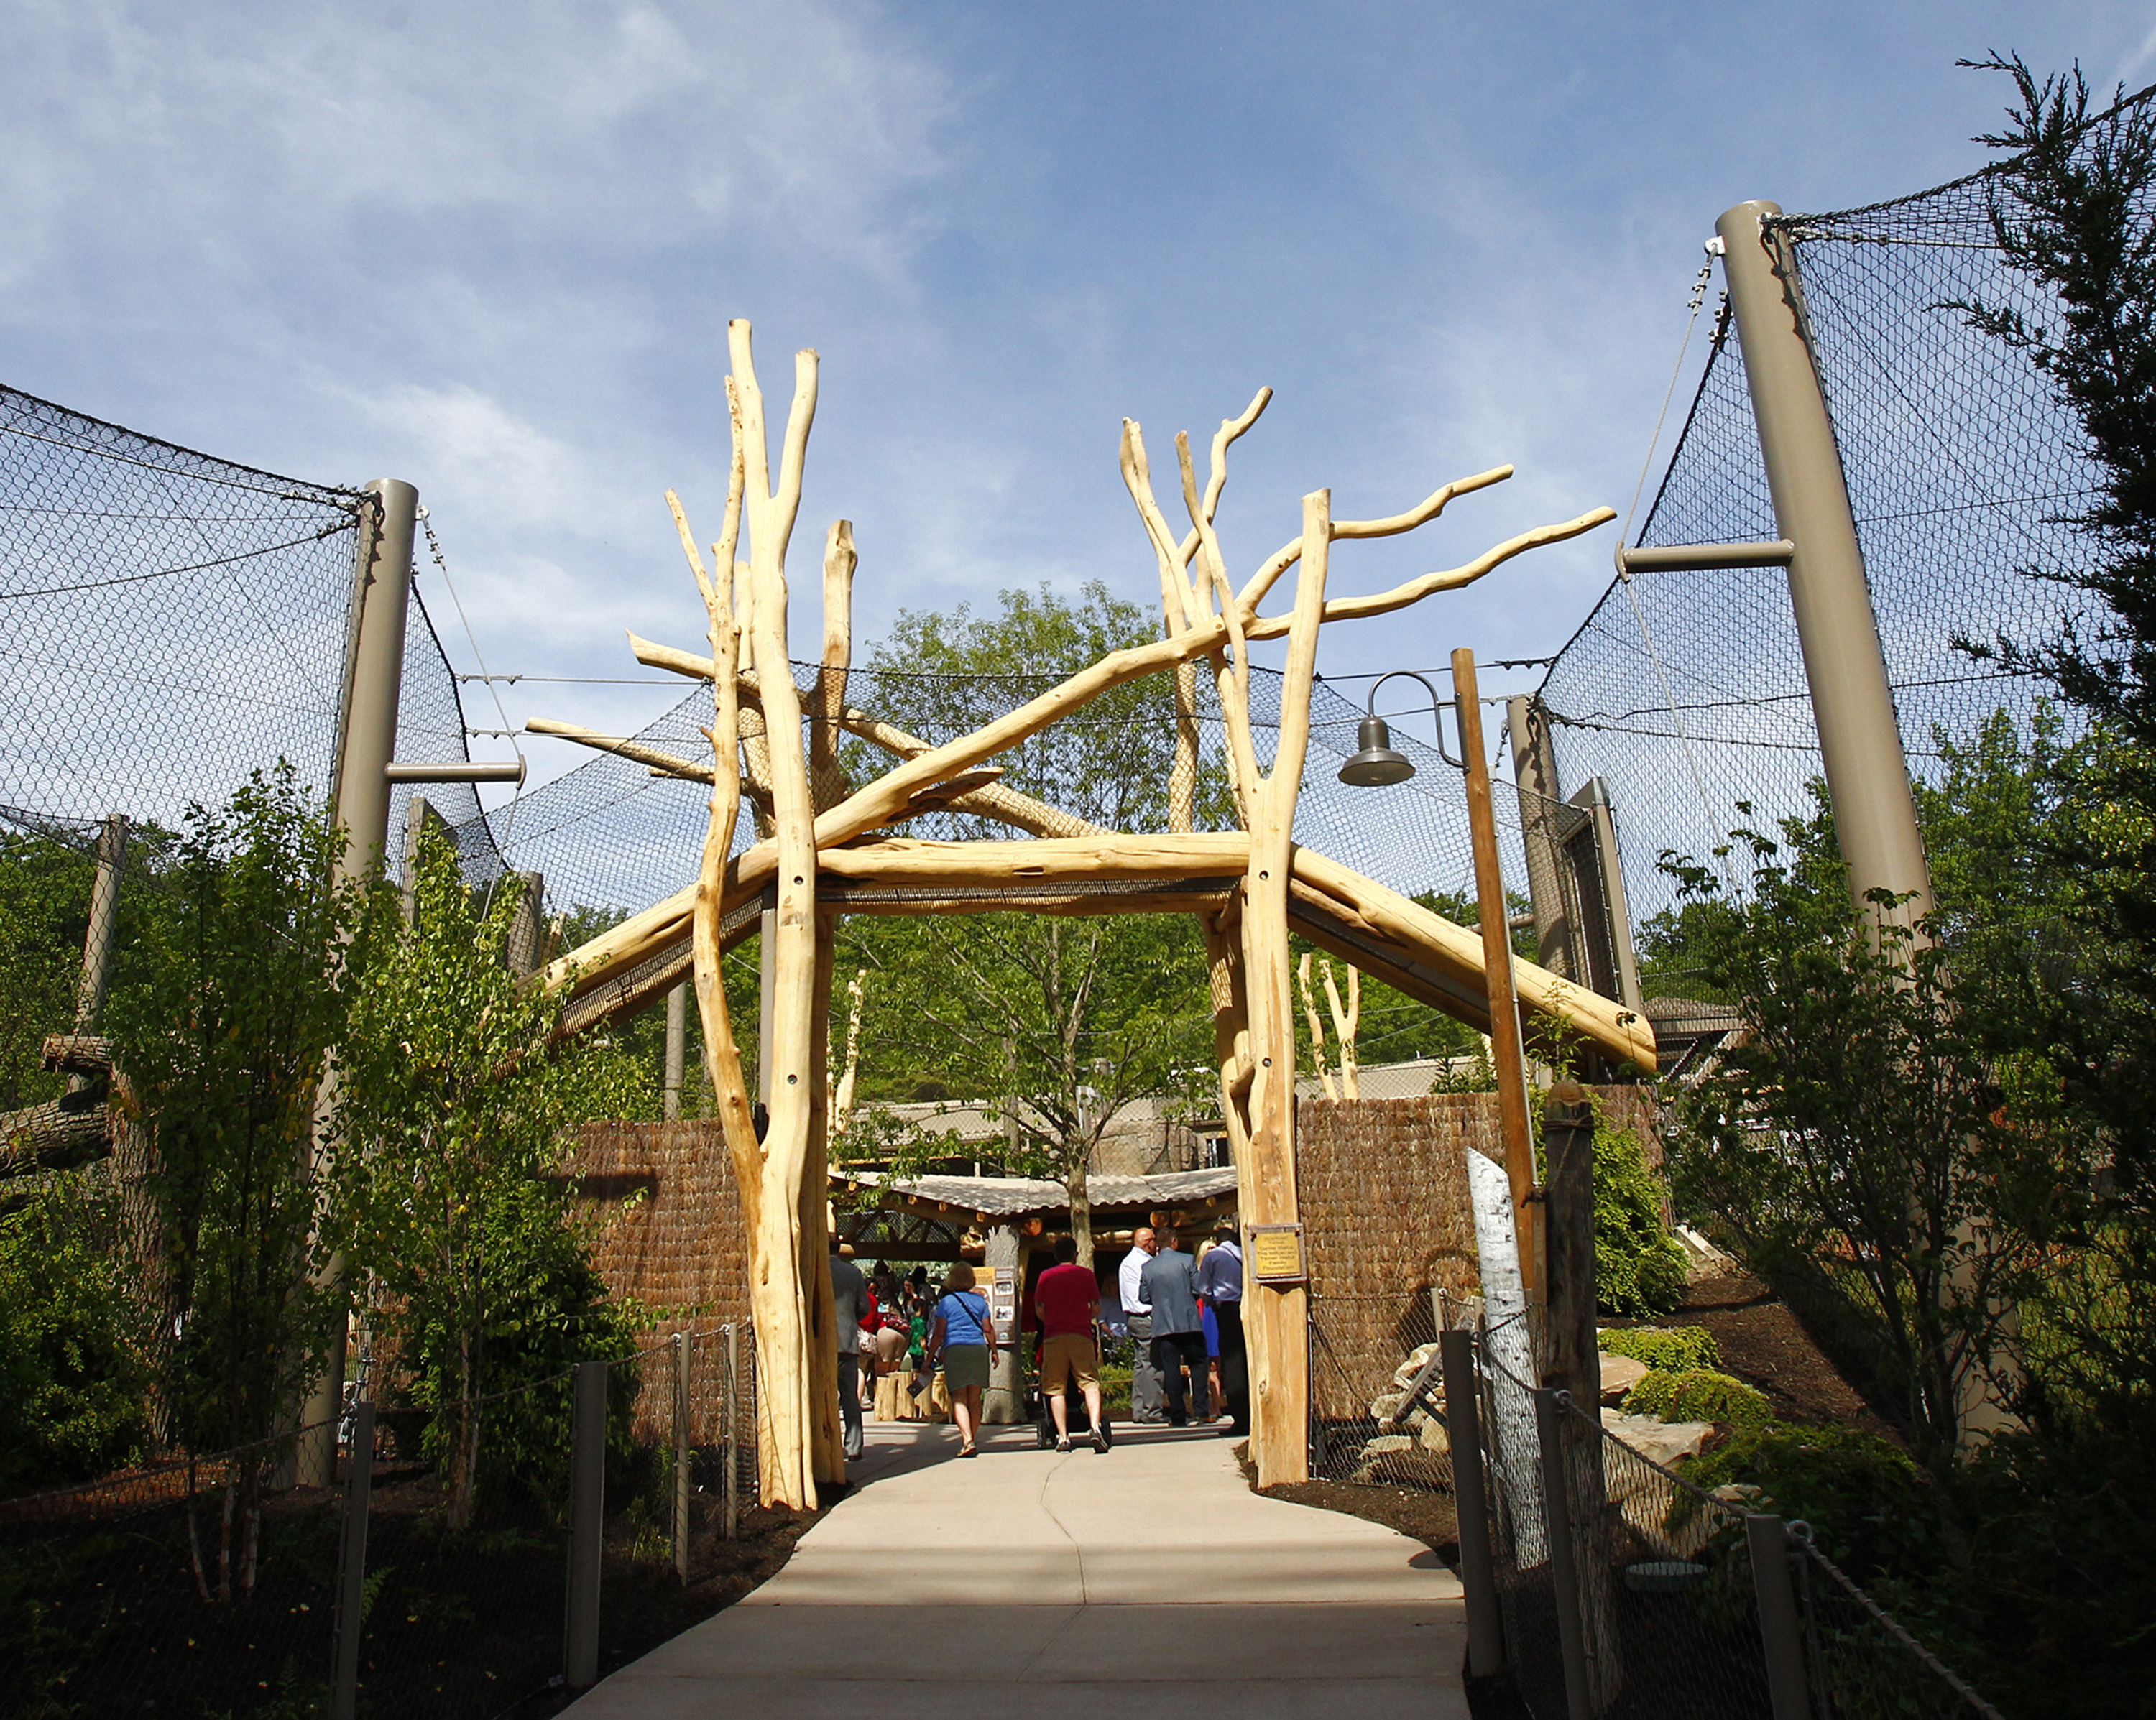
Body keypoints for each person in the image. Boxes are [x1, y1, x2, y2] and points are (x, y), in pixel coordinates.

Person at [1032, 1236, 1108, 1453]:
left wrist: (1052, 1320)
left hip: (1054, 1335)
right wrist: (1084, 1317)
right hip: (1081, 1334)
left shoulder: (1045, 1276)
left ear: (1056, 1255)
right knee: (1090, 1382)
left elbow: (1040, 1309)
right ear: (1075, 1254)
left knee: (1055, 1387)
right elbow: (1095, 1306)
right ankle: (1095, 1427)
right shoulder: (1086, 1275)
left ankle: (1063, 1436)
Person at [924, 1262, 997, 1457]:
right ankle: (971, 1438)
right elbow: (988, 1329)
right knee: (974, 1399)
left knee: (958, 1397)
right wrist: (995, 1352)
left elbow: (939, 1334)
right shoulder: (981, 1302)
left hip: (956, 1349)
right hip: (978, 1349)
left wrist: (929, 1359)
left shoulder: (946, 1303)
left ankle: (967, 1440)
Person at [1140, 1227, 1209, 1425]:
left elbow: (1143, 1297)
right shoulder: (1187, 1260)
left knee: (1171, 1369)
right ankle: (1201, 1410)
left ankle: (1178, 1415)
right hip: (1189, 1323)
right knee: (1199, 1364)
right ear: (1174, 1242)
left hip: (1163, 1325)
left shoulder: (1148, 1268)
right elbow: (1198, 1288)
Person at [1195, 1223, 1249, 1435]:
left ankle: (1240, 1417)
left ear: (1217, 1241)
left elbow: (1204, 1288)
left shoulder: (1213, 1257)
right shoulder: (1244, 1254)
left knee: (1232, 1363)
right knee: (1247, 1359)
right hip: (1247, 1306)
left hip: (1226, 1309)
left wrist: (1212, 1302)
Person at [1118, 1226, 1166, 1423]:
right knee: (1153, 1364)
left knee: (1140, 1364)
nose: (1157, 1244)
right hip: (1145, 1316)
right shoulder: (1145, 1263)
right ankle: (1152, 1411)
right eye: (1154, 1240)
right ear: (1148, 1242)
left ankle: (1139, 1409)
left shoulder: (1127, 1262)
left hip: (1132, 1317)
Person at [829, 1239, 867, 1460]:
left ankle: (826, 1442)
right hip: (848, 1341)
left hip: (821, 1341)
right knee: (850, 1396)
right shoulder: (853, 1273)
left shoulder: (815, 1269)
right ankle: (854, 1446)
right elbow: (864, 1307)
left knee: (821, 1394)